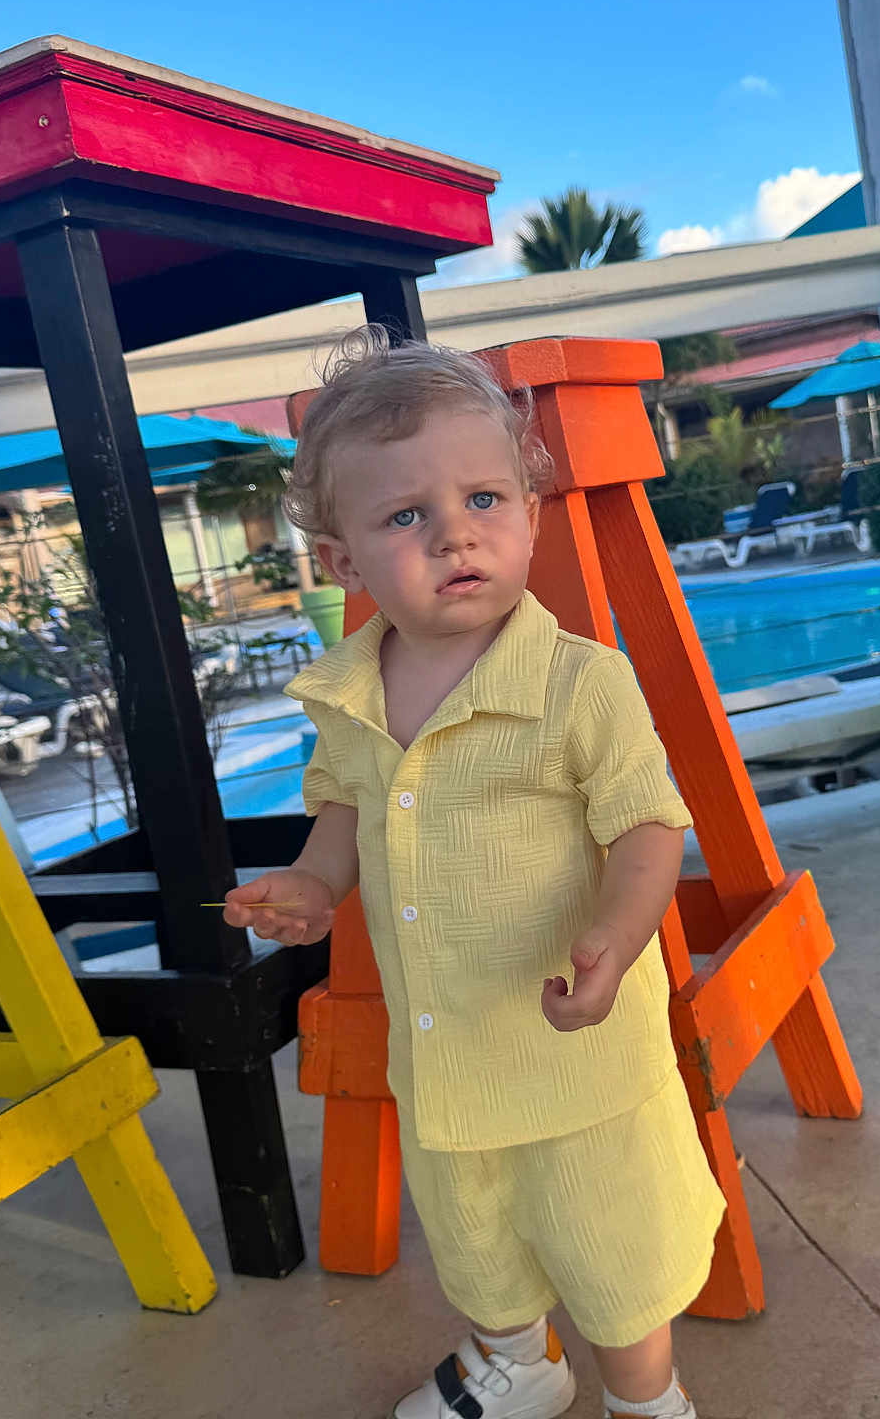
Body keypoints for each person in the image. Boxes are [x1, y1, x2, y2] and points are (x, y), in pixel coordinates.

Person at [224, 328, 724, 1419]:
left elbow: (647, 828)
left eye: (484, 500)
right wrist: (312, 885)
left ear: (530, 516)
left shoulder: (580, 685)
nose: (456, 534)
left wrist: (618, 933)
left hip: (573, 1054)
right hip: (445, 1054)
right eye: (407, 517)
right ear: (345, 564)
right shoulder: (352, 692)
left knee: (612, 1249)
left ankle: (647, 1401)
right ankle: (520, 1363)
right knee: (478, 1236)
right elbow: (345, 808)